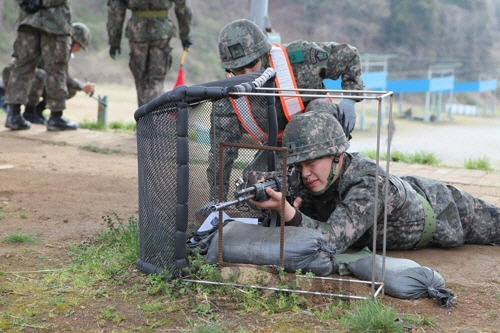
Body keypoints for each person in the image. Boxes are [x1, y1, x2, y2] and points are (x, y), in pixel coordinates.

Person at [250, 110, 500, 252]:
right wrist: (262, 187)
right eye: (299, 166)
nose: (305, 173)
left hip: (445, 210)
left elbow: (330, 241)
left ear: (337, 155)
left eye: (312, 163)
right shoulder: (312, 176)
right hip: (405, 192)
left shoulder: (368, 185)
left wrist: (290, 212)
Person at [205, 18, 364, 206]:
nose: (247, 72)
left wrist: (350, 99)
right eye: (239, 69)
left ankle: (326, 191)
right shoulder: (229, 100)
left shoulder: (300, 59)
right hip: (282, 148)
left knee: (318, 110)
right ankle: (290, 210)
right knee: (254, 184)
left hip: (322, 140)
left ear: (264, 53)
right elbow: (221, 157)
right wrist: (216, 202)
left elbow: (348, 55)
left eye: (252, 64)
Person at [2, 22, 95, 127]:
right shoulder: (53, 45)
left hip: (26, 77)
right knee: (40, 76)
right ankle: (29, 113)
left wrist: (79, 86)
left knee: (68, 88)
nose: (78, 50)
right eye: (80, 46)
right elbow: (60, 75)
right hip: (15, 76)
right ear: (73, 40)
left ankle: (38, 110)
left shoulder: (61, 49)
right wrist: (82, 86)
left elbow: (62, 76)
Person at [107, 0, 193, 107]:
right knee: (156, 80)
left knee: (140, 80)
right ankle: (153, 119)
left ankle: (144, 119)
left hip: (137, 33)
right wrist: (185, 35)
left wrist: (114, 40)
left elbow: (116, 9)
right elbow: (183, 6)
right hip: (161, 33)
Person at [4, 0, 74, 131]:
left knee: (22, 66)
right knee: (56, 68)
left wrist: (26, 2)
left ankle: (13, 115)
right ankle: (56, 117)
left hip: (29, 20)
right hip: (55, 22)